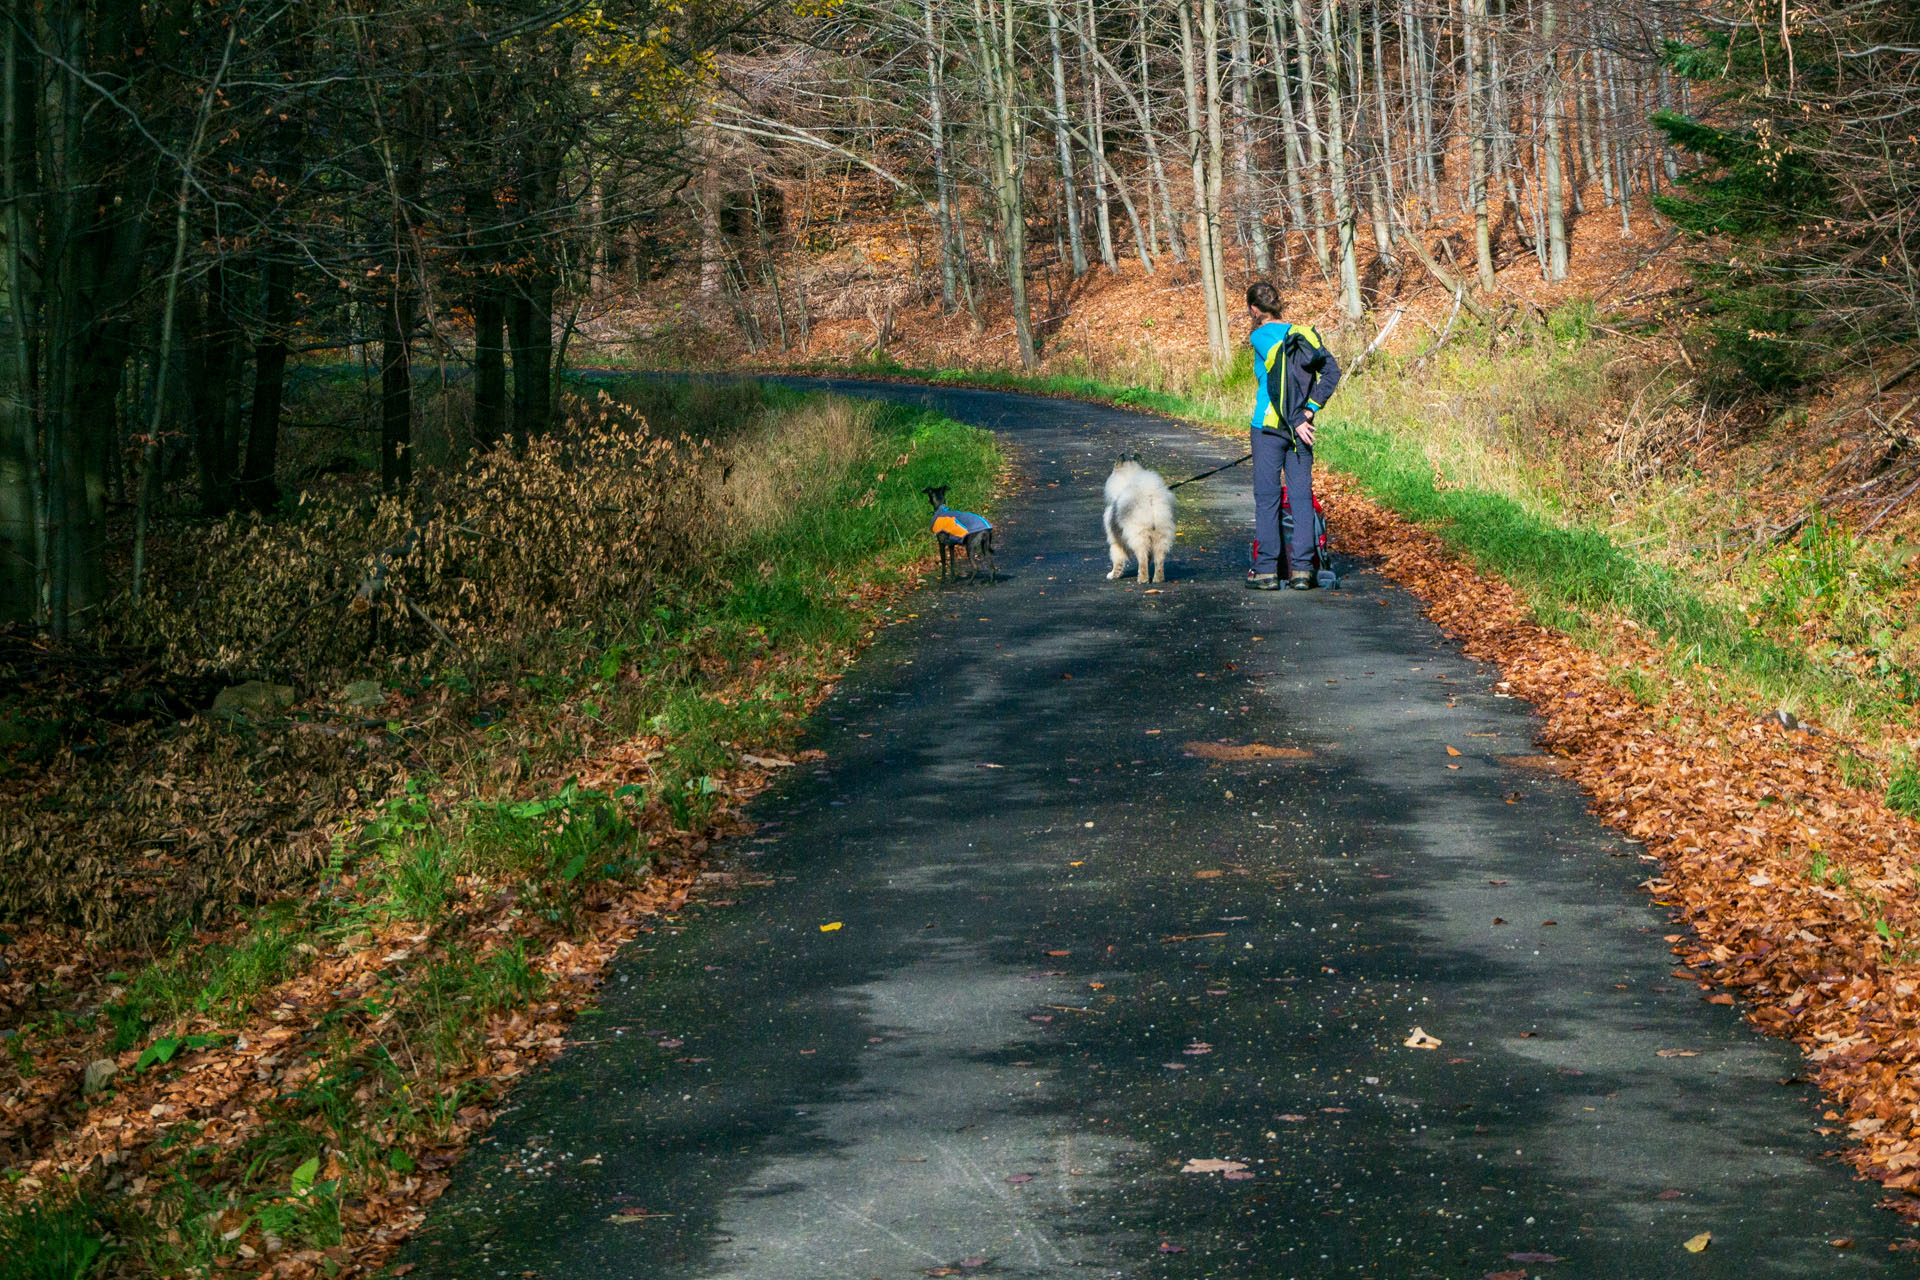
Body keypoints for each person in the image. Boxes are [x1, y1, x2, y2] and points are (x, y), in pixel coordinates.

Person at [1243, 282, 1341, 590]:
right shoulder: (1305, 333)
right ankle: (1301, 571)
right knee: (1300, 499)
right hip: (1302, 431)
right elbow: (1332, 372)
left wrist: (1298, 417)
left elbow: (1278, 385)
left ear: (1254, 309)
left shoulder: (1259, 336)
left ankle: (1267, 572)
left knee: (1268, 499)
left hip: (1270, 428)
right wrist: (1310, 410)